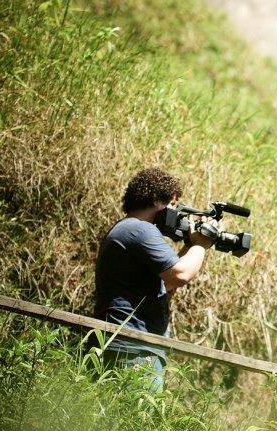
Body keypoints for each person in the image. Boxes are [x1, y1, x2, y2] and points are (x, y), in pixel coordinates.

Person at [91, 167, 216, 390]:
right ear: (158, 201)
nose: (176, 214)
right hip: (134, 348)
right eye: (174, 206)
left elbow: (167, 283)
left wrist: (189, 245)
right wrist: (201, 243)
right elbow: (181, 274)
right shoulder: (141, 230)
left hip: (128, 345)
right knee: (132, 422)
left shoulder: (126, 228)